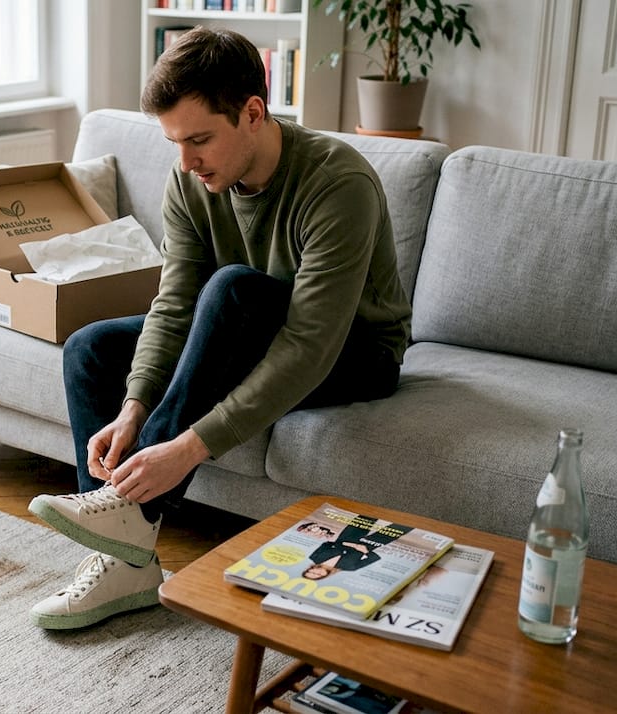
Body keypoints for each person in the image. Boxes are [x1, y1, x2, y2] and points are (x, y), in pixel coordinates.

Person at [26, 26, 412, 630]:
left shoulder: (338, 184)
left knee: (232, 287)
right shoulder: (189, 179)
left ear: (253, 113)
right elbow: (175, 302)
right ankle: (120, 554)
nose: (185, 162)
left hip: (356, 350)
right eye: (175, 142)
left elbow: (310, 343)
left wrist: (187, 448)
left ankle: (133, 512)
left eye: (200, 139)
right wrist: (134, 407)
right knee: (92, 348)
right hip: (246, 328)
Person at [301, 518, 412, 580]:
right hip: (370, 544)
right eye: (317, 575)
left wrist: (343, 543)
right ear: (324, 576)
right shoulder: (350, 567)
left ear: (309, 569)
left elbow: (325, 544)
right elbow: (374, 558)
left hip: (348, 537)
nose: (316, 572)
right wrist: (365, 550)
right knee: (399, 528)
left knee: (366, 517)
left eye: (311, 572)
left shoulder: (314, 557)